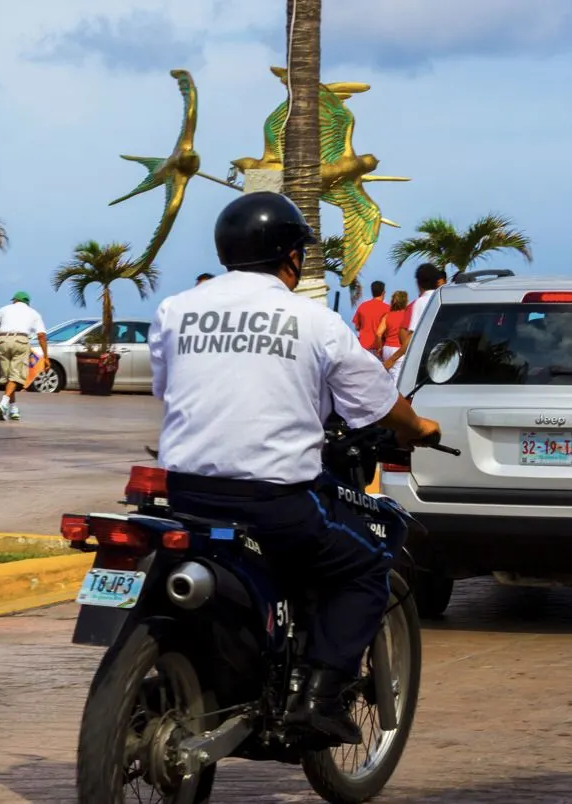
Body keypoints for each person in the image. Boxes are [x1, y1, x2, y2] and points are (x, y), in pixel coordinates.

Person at [148, 192, 441, 745]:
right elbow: (378, 404)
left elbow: (167, 389)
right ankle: (317, 702)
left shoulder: (176, 309)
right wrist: (421, 428)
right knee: (365, 565)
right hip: (273, 502)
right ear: (291, 257)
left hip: (185, 492)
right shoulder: (314, 320)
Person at [0, 291, 48, 421]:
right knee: (15, 376)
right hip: (20, 341)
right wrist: (46, 357)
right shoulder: (34, 313)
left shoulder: (4, 309)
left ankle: (13, 409)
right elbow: (41, 335)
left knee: (8, 377)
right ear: (27, 302)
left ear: (14, 300)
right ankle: (3, 404)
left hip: (2, 341)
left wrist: (0, 337)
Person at [383, 263, 446, 375]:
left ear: (418, 283)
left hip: (426, 358)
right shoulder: (445, 298)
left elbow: (411, 338)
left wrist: (392, 359)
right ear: (437, 281)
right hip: (445, 355)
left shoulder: (420, 302)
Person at [377, 290, 410, 384]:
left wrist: (380, 348)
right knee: (397, 378)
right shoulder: (407, 315)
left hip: (387, 348)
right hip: (399, 350)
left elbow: (378, 333)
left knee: (388, 378)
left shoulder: (387, 316)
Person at [351, 280, 389, 354]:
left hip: (363, 348)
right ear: (383, 292)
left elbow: (357, 327)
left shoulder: (362, 306)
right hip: (379, 349)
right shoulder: (388, 309)